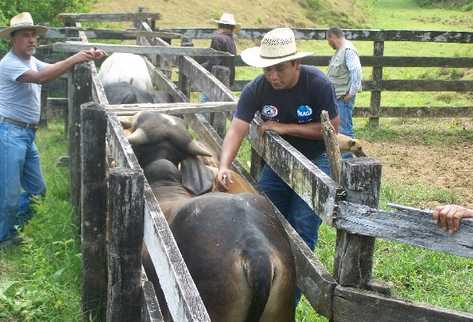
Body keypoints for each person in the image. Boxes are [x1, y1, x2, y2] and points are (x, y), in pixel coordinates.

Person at [216, 27, 339, 306]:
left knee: (302, 226)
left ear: (296, 63)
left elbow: (331, 128)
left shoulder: (318, 84)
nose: (273, 76)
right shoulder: (257, 89)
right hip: (278, 162)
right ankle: (265, 288)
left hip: (315, 159)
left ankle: (287, 304)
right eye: (267, 69)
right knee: (262, 217)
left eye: (279, 69)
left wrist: (285, 128)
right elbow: (237, 129)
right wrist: (224, 165)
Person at [0, 12, 106, 248]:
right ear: (13, 39)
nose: (32, 40)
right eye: (26, 36)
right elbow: (40, 78)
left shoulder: (29, 60)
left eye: (34, 35)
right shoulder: (9, 63)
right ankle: (4, 236)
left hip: (26, 135)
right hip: (9, 132)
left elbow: (53, 69)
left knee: (37, 190)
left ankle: (9, 230)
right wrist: (73, 58)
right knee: (8, 196)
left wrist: (86, 57)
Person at [326, 27, 362, 139]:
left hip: (343, 96)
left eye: (328, 40)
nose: (328, 43)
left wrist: (351, 93)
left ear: (333, 37)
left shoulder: (348, 50)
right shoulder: (340, 50)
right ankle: (344, 155)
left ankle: (347, 156)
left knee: (345, 130)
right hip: (339, 96)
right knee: (340, 128)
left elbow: (356, 71)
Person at [204, 12, 239, 86]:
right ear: (232, 28)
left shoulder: (218, 39)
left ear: (220, 26)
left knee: (206, 97)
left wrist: (201, 68)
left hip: (216, 79)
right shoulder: (230, 40)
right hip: (228, 79)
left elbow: (214, 61)